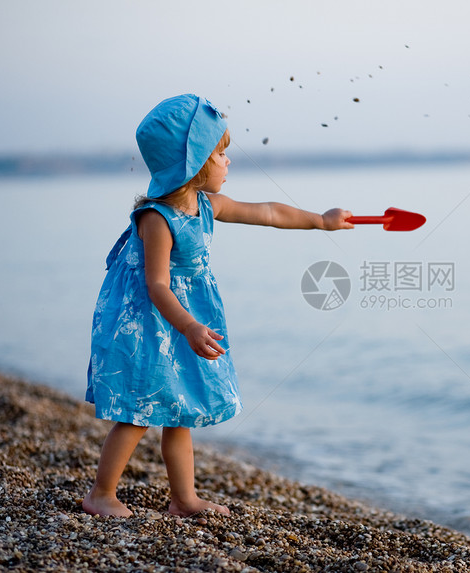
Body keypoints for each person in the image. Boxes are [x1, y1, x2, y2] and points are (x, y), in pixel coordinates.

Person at [83, 94, 353, 518]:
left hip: (183, 320)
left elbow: (267, 212)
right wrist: (189, 327)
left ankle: (184, 499)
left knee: (180, 411)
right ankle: (101, 493)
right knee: (137, 412)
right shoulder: (158, 218)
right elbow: (156, 285)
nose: (228, 162)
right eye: (221, 153)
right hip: (149, 323)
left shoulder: (208, 205)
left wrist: (321, 220)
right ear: (192, 164)